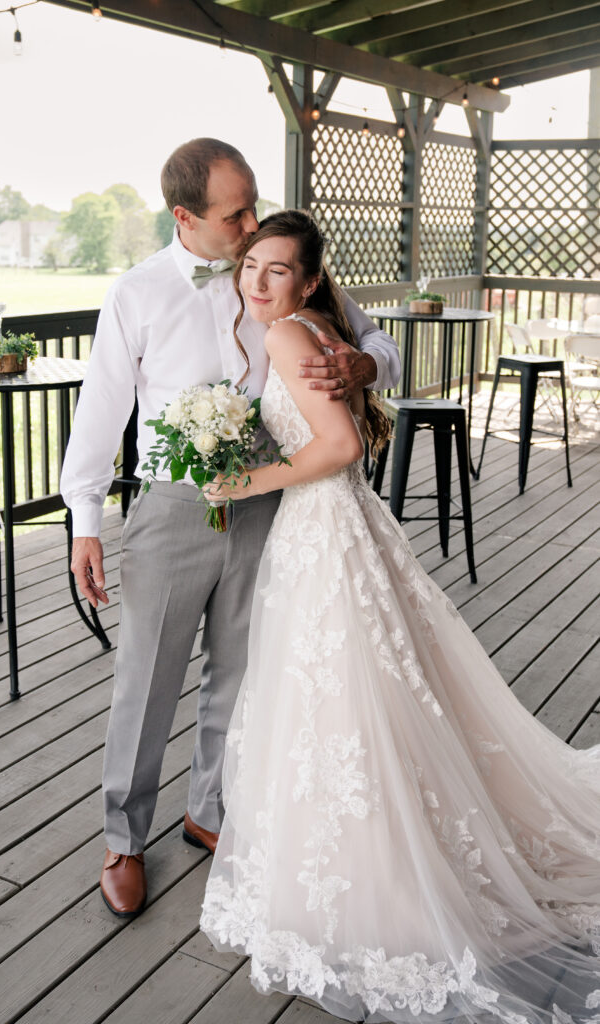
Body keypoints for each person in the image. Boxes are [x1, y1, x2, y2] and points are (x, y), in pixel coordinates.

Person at [200, 210, 600, 1024]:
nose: (256, 281)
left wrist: (246, 481)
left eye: (275, 269)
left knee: (340, 698)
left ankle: (375, 883)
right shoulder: (310, 326)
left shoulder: (286, 335)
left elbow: (340, 447)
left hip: (320, 531)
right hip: (335, 530)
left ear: (307, 280)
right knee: (361, 693)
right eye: (249, 266)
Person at [59, 139, 401, 918]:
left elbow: (376, 338)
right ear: (185, 217)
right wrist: (84, 523)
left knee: (241, 672)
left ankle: (208, 812)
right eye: (234, 214)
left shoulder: (277, 271)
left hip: (271, 504)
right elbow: (101, 410)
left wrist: (360, 366)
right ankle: (122, 839)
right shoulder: (138, 293)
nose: (251, 228)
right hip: (173, 506)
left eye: (254, 204)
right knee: (146, 678)